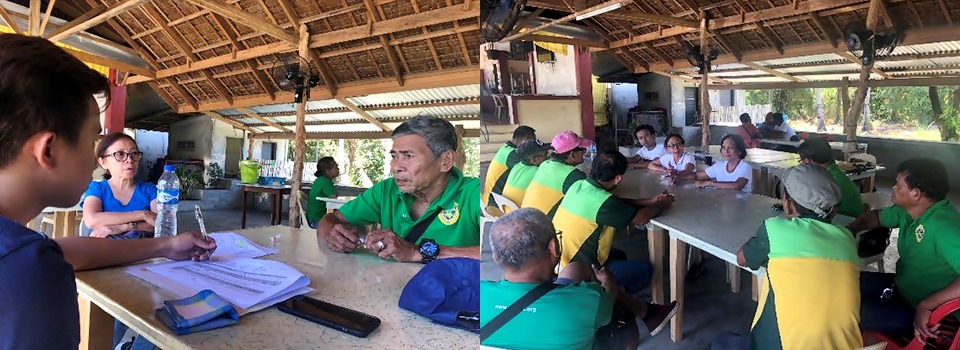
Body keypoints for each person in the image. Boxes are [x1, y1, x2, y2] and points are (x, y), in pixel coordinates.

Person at [0, 33, 216, 350]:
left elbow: (62, 250)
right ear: (48, 150)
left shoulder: (24, 253)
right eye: (91, 140)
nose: (94, 159)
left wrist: (167, 244)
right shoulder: (29, 274)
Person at [317, 116, 480, 262]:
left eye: (408, 156)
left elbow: (499, 255)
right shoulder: (386, 190)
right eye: (394, 156)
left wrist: (416, 252)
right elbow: (329, 220)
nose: (396, 167)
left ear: (445, 161)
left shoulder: (474, 194)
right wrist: (333, 234)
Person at [734, 164, 862, 350]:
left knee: (724, 341)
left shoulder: (774, 228)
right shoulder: (847, 238)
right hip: (848, 346)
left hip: (787, 345)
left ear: (788, 204)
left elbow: (742, 259)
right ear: (833, 209)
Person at [552, 151, 678, 338]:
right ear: (618, 178)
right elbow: (641, 219)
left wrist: (648, 201)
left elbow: (614, 202)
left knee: (619, 255)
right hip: (580, 271)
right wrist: (662, 205)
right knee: (644, 269)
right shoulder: (604, 203)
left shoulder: (579, 185)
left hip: (560, 260)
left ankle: (619, 298)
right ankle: (615, 302)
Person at [846, 158, 960, 343]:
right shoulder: (910, 211)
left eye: (898, 184)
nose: (893, 188)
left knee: (845, 312)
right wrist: (850, 230)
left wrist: (927, 304)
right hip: (902, 289)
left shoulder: (944, 227)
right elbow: (876, 217)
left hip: (933, 317)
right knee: (845, 280)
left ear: (916, 193)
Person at [481, 208, 615, 350]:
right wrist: (608, 283)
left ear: (495, 258)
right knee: (624, 324)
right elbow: (609, 304)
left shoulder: (479, 294)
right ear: (552, 247)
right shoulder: (588, 299)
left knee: (574, 269)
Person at [81, 132, 157, 239]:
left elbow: (159, 224)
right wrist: (143, 214)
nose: (129, 160)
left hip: (143, 251)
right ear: (103, 162)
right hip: (108, 251)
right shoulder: (97, 189)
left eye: (133, 153)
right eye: (120, 154)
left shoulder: (149, 189)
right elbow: (91, 220)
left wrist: (122, 228)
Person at [521, 131, 590, 219]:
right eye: (582, 150)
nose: (584, 152)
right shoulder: (573, 175)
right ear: (572, 155)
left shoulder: (545, 164)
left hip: (526, 218)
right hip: (542, 225)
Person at [798, 137, 864, 218]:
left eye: (801, 161)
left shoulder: (827, 180)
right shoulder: (832, 172)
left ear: (808, 161)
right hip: (846, 218)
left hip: (845, 221)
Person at [484, 125, 536, 205]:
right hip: (494, 202)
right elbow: (534, 164)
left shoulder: (506, 148)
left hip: (494, 198)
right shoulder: (512, 154)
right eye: (532, 142)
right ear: (525, 139)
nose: (532, 146)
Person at [685, 134, 753, 193]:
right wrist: (677, 176)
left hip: (740, 205)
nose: (726, 151)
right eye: (723, 147)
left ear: (740, 151)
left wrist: (710, 183)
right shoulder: (719, 166)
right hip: (721, 203)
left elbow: (737, 186)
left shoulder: (745, 167)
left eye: (730, 147)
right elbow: (697, 175)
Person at [500, 139, 552, 207]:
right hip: (520, 214)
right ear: (534, 159)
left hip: (507, 212)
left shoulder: (517, 166)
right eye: (545, 154)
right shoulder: (537, 172)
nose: (548, 157)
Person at [305, 156, 340, 229]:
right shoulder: (325, 181)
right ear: (328, 171)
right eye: (336, 167)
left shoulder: (319, 180)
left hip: (311, 218)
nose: (338, 168)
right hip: (317, 221)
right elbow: (335, 198)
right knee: (343, 226)